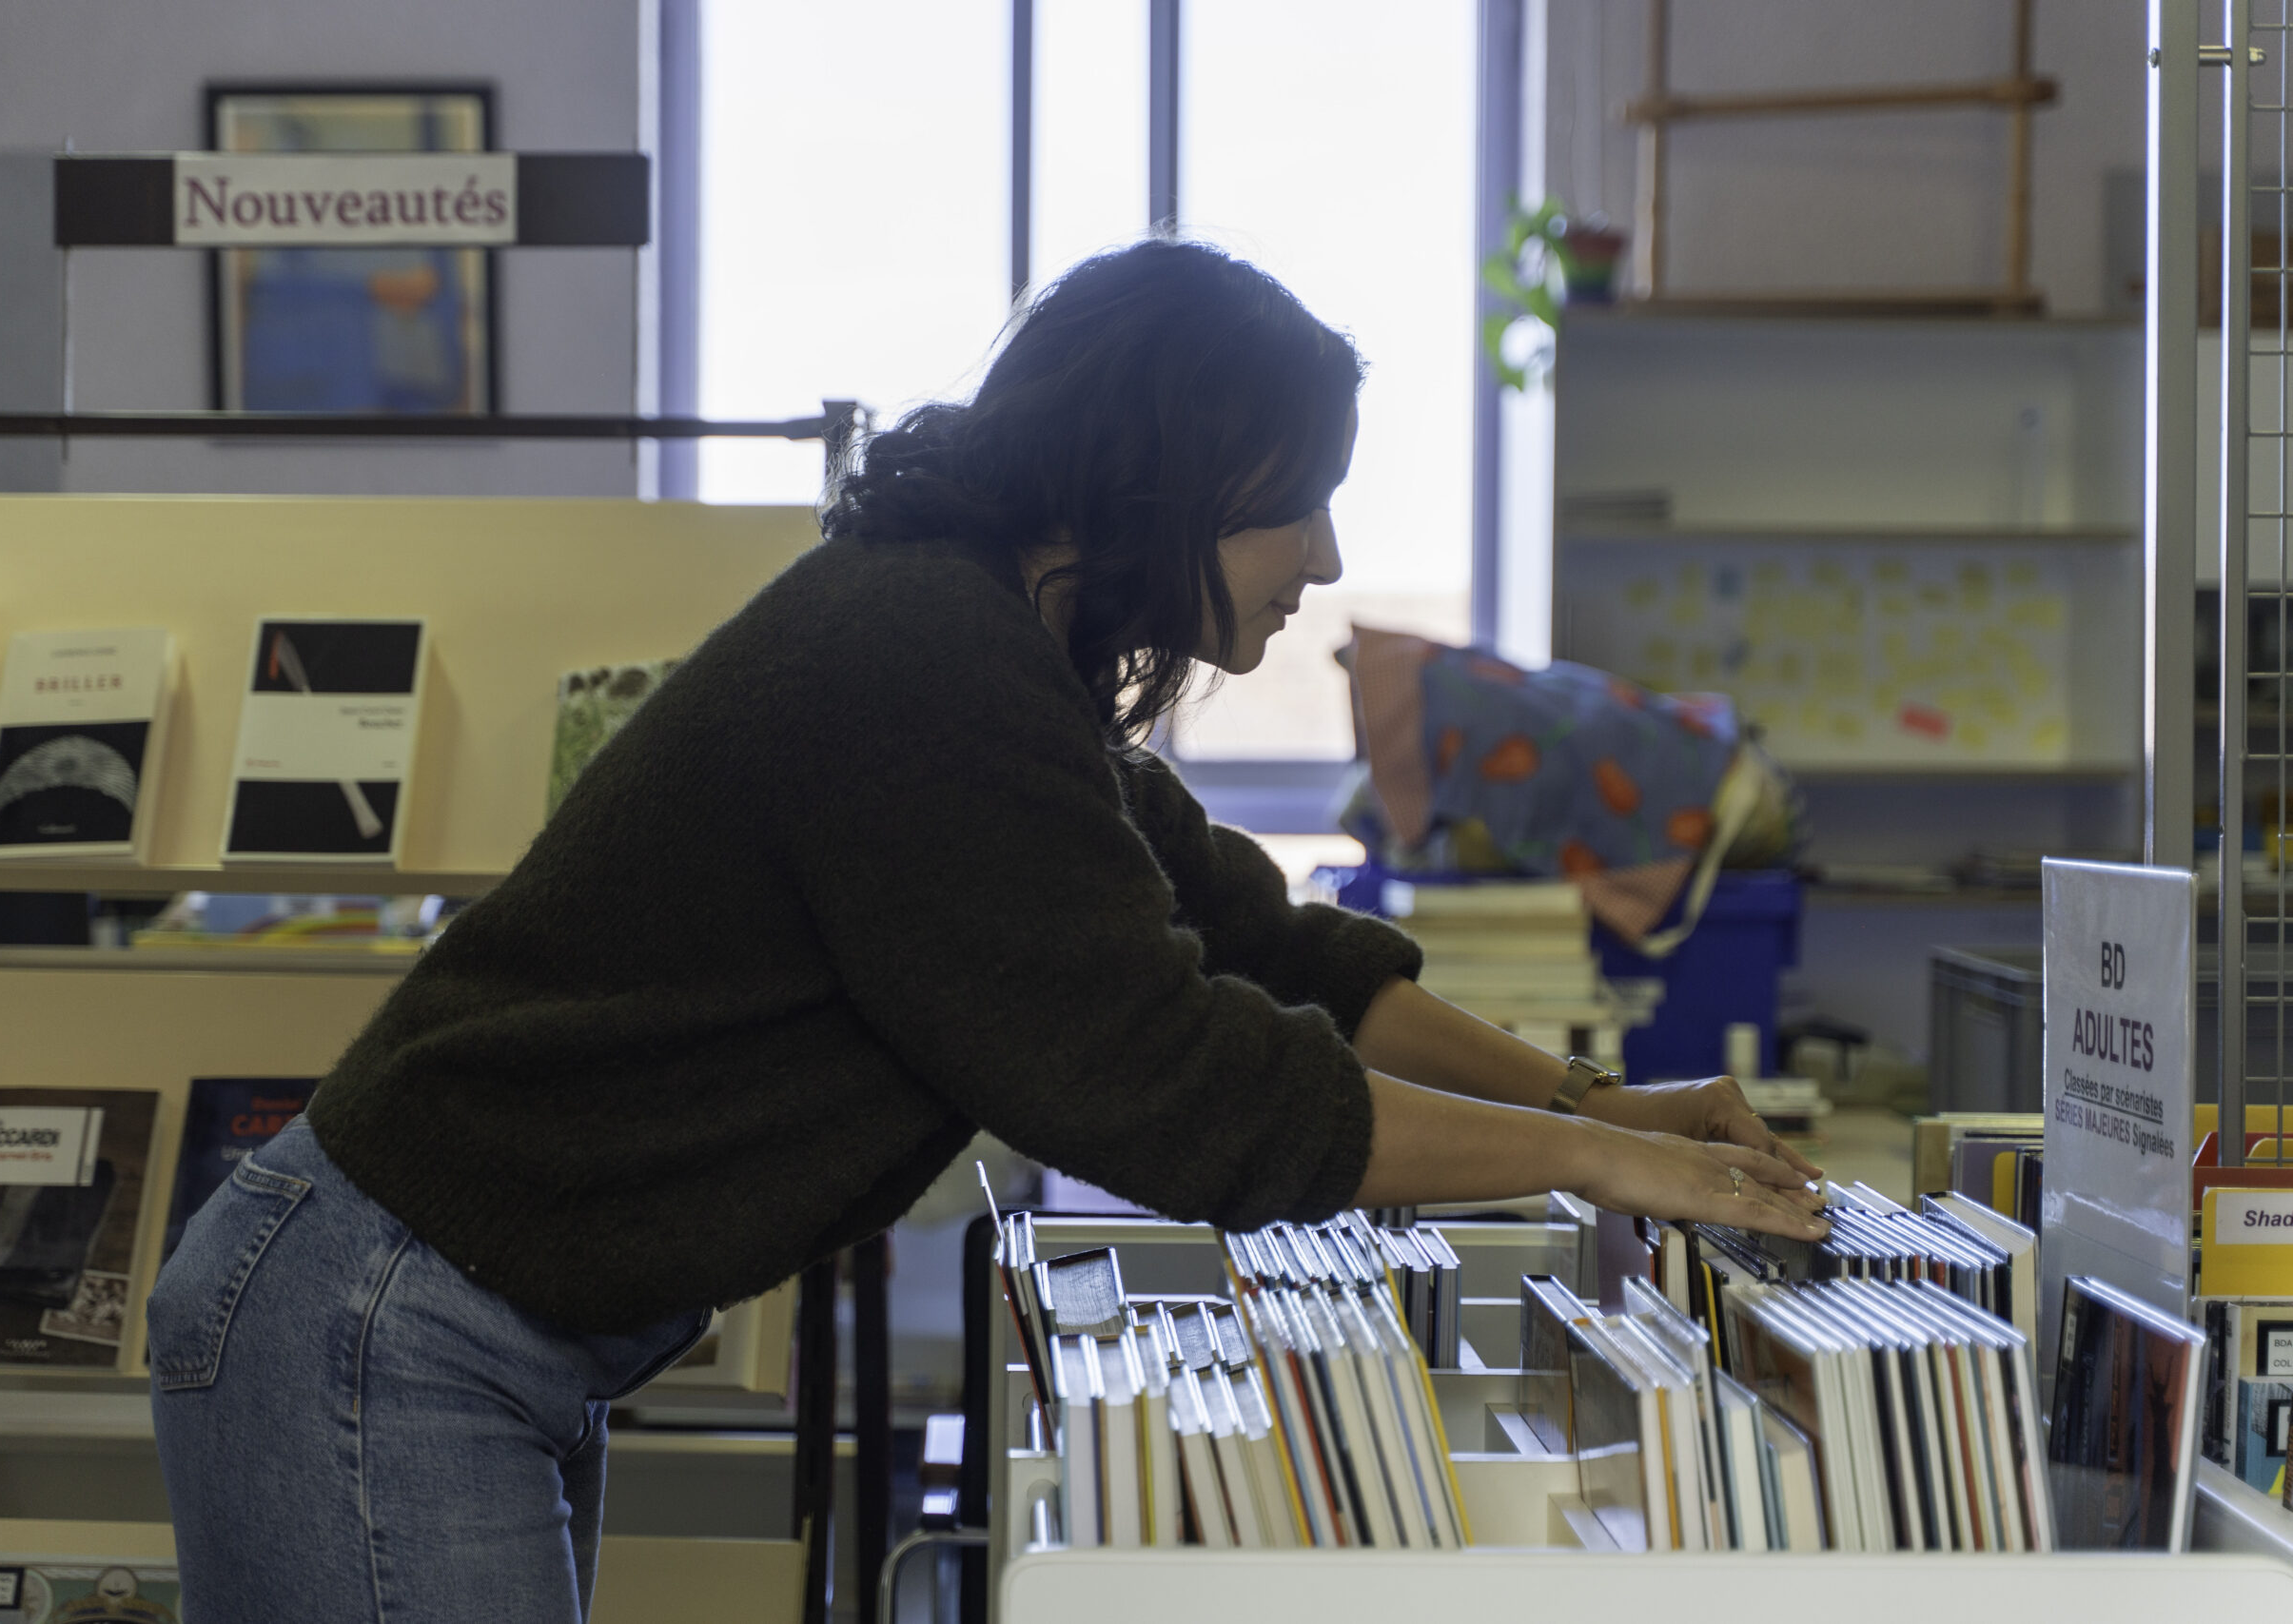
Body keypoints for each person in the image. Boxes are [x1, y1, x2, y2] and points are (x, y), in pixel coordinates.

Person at [147, 240, 1825, 1623]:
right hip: (384, 1323)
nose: (1323, 555)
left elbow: (1269, 950)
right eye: (1294, 501)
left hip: (457, 1325)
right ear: (1165, 475)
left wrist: (1593, 1111)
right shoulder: (923, 669)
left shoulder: (996, 658)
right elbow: (1181, 1090)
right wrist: (1590, 1173)